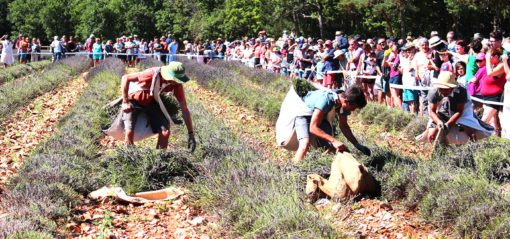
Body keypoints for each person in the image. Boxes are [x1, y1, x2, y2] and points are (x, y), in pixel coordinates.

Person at [276, 85, 370, 163]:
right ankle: (295, 172)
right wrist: (334, 141)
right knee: (305, 144)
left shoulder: (343, 103)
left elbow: (344, 126)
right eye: (353, 108)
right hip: (304, 113)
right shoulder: (326, 99)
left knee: (329, 146)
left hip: (321, 115)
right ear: (346, 101)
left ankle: (325, 167)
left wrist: (357, 145)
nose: (353, 110)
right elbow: (313, 128)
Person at [120, 61, 196, 150]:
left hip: (151, 102)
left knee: (165, 132)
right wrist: (125, 102)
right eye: (175, 80)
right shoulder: (152, 74)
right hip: (133, 100)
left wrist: (191, 133)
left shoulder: (176, 85)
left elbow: (184, 109)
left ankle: (159, 159)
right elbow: (126, 78)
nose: (176, 83)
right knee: (129, 132)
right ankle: (129, 155)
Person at [423, 71, 493, 143]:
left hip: (460, 111)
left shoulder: (461, 90)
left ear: (452, 87)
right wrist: (438, 122)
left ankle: (472, 150)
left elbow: (459, 111)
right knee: (431, 135)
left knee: (471, 134)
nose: (443, 92)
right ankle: (435, 152)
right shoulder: (433, 92)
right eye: (441, 89)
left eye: (446, 89)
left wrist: (448, 124)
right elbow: (432, 112)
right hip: (441, 111)